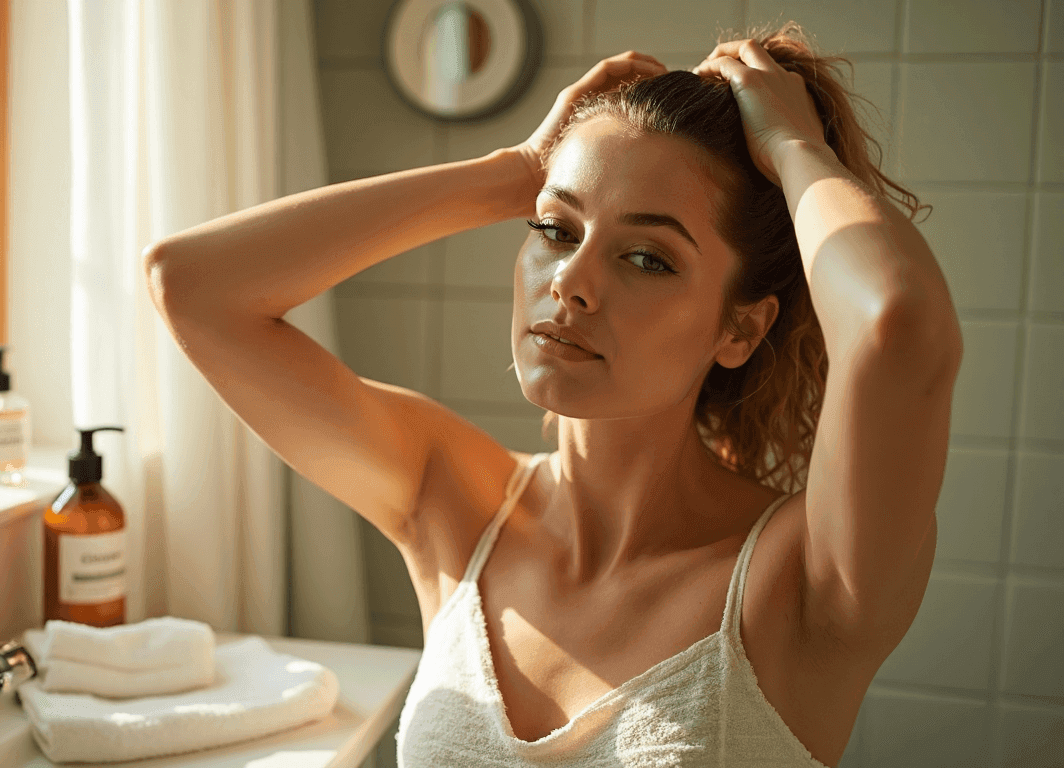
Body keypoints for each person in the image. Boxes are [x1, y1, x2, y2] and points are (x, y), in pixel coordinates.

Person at [144, 21, 961, 768]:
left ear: (740, 330)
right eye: (555, 230)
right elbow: (191, 287)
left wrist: (790, 145)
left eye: (648, 258)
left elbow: (897, 322)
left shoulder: (802, 577)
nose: (569, 281)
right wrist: (516, 173)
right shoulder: (456, 503)